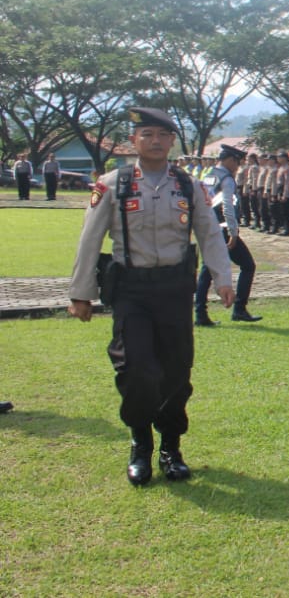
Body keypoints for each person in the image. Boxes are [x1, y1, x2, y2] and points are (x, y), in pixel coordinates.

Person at [68, 107, 234, 485]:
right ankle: (140, 442)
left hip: (175, 289)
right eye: (147, 135)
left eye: (162, 135)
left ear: (172, 141)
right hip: (132, 290)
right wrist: (80, 294)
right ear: (134, 141)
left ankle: (170, 448)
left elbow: (209, 233)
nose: (155, 141)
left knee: (176, 371)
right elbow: (89, 240)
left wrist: (223, 278)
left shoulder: (188, 185)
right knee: (138, 370)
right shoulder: (113, 184)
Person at [194, 145, 260, 326]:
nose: (237, 167)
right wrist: (233, 232)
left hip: (208, 227)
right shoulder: (227, 179)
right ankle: (239, 309)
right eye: (237, 163)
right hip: (221, 229)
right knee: (248, 265)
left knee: (207, 270)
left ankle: (200, 313)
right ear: (230, 160)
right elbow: (227, 207)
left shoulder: (210, 175)